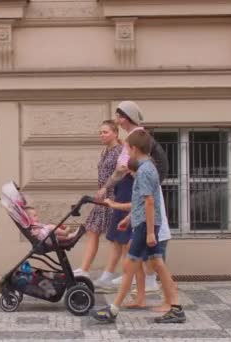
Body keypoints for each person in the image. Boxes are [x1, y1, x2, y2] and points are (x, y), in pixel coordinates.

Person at [91, 130, 186, 324]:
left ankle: (113, 309)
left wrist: (150, 232)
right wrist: (129, 218)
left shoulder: (143, 171)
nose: (125, 151)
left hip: (146, 226)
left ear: (134, 149)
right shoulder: (148, 167)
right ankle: (175, 306)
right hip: (145, 222)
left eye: (126, 148)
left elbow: (149, 202)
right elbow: (141, 202)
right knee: (157, 263)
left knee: (129, 266)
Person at [99, 101, 172, 294]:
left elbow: (123, 171)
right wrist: (129, 217)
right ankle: (140, 289)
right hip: (145, 213)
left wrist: (106, 188)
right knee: (140, 251)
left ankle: (159, 290)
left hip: (149, 216)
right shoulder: (140, 145)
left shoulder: (141, 156)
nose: (117, 121)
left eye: (119, 117)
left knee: (149, 252)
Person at [73, 120, 123, 281]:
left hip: (114, 198)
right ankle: (85, 269)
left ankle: (108, 274)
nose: (101, 135)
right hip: (102, 199)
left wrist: (106, 189)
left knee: (115, 238)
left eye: (105, 132)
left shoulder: (120, 151)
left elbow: (121, 174)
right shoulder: (105, 151)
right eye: (100, 132)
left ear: (115, 133)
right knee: (92, 230)